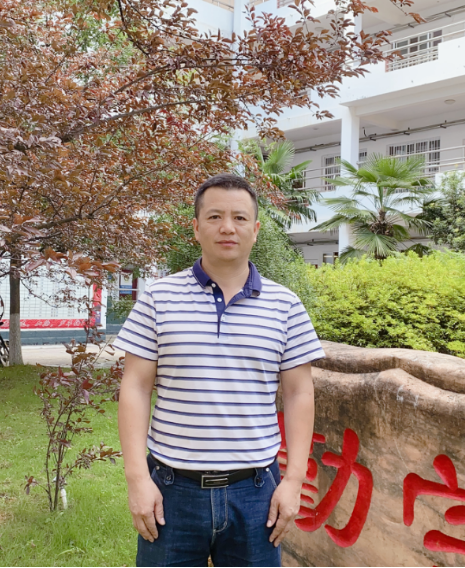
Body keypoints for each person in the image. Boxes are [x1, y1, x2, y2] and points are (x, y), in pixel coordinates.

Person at [115, 173, 325, 567]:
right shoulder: (158, 298)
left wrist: (294, 480)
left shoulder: (286, 305)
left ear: (255, 230)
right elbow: (135, 387)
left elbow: (300, 393)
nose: (227, 227)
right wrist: (137, 478)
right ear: (196, 227)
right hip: (172, 491)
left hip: (256, 492)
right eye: (214, 217)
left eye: (240, 218)